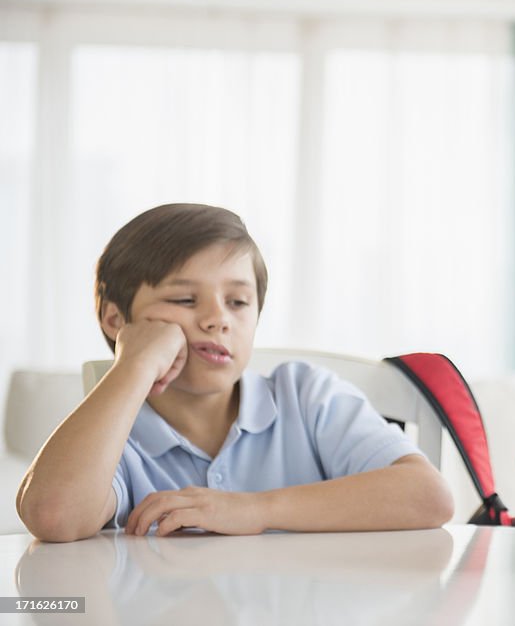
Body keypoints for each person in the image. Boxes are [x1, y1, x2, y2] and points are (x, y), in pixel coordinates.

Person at [17, 203, 453, 542]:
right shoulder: (114, 437)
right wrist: (132, 363)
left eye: (238, 302)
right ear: (117, 321)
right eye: (186, 301)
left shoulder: (305, 397)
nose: (217, 319)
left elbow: (429, 497)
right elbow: (54, 514)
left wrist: (252, 510)